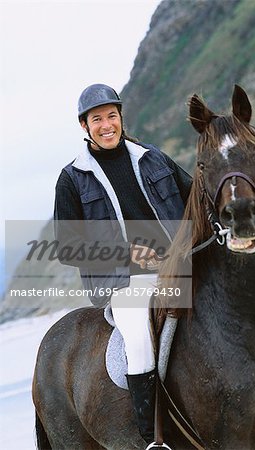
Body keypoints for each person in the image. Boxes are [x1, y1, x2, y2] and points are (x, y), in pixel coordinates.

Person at [54, 83, 192, 447]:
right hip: (124, 283)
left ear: (121, 118)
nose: (106, 125)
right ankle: (154, 439)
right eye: (97, 119)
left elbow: (196, 198)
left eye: (111, 116)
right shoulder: (72, 179)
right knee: (139, 340)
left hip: (179, 269)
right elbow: (68, 247)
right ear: (84, 126)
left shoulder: (153, 158)